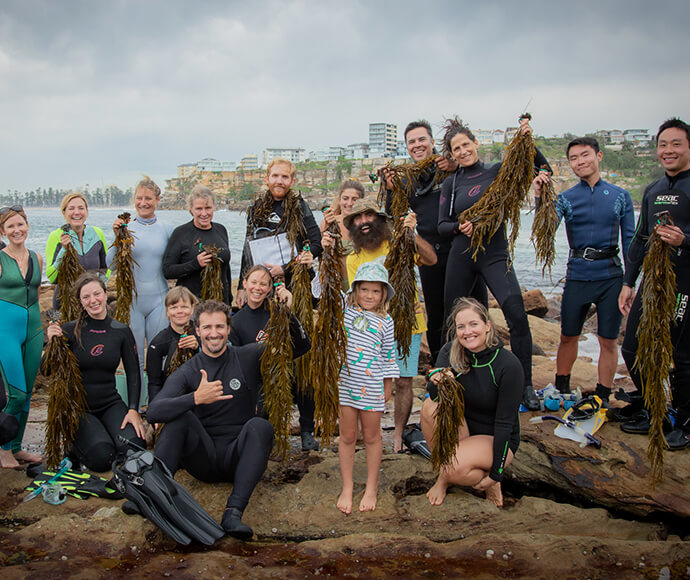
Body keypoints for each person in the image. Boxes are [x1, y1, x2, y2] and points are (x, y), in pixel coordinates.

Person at [147, 299, 311, 540]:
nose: (214, 334)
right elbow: (153, 412)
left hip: (239, 456)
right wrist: (195, 398)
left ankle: (233, 513)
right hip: (204, 457)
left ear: (229, 329)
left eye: (220, 327)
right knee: (178, 418)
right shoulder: (189, 371)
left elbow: (300, 346)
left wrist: (286, 310)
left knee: (261, 426)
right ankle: (152, 493)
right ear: (197, 330)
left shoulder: (248, 356)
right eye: (207, 328)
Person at [438, 117, 550, 410]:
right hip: (462, 255)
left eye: (466, 145)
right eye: (456, 149)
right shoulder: (451, 183)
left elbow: (541, 168)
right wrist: (457, 228)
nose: (463, 151)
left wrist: (528, 139)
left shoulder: (497, 172)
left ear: (476, 143)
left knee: (516, 316)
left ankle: (525, 386)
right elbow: (441, 225)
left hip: (494, 253)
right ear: (451, 154)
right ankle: (452, 380)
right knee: (453, 322)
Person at [533, 137, 634, 400]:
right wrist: (539, 198)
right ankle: (562, 389)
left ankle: (602, 396)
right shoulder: (566, 198)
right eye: (574, 158)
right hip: (578, 274)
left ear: (599, 156)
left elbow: (630, 242)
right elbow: (543, 233)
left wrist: (629, 283)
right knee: (568, 336)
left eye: (585, 155)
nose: (580, 162)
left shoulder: (620, 196)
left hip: (611, 275)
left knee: (608, 341)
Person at [333, 199, 437, 452]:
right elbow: (357, 297)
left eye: (368, 216)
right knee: (369, 379)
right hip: (370, 329)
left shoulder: (398, 243)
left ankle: (399, 434)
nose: (363, 222)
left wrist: (412, 234)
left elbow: (431, 259)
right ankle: (370, 431)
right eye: (357, 219)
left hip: (408, 324)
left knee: (402, 381)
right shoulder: (354, 257)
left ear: (379, 219)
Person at [384, 120, 485, 362]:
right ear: (406, 147)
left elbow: (475, 177)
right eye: (411, 142)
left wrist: (454, 166)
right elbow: (392, 216)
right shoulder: (407, 179)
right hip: (430, 255)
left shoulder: (450, 166)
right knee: (437, 314)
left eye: (421, 140)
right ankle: (442, 365)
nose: (417, 145)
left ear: (432, 142)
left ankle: (480, 361)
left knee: (475, 307)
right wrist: (389, 190)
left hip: (462, 248)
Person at [618, 118, 690, 450]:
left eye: (676, 143)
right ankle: (656, 410)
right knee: (632, 347)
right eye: (663, 144)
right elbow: (639, 240)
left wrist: (684, 239)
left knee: (681, 355)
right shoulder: (653, 190)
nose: (668, 150)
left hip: (685, 283)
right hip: (653, 281)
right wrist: (628, 282)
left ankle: (686, 422)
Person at [420, 297, 523, 507]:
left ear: (487, 325)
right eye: (461, 327)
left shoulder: (508, 365)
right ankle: (444, 478)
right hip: (463, 427)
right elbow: (434, 394)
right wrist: (437, 381)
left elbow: (505, 423)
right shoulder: (451, 351)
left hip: (495, 436)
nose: (467, 332)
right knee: (429, 408)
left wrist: (496, 475)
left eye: (474, 324)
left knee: (452, 467)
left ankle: (459, 477)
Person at [46, 272, 145, 471]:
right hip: (79, 408)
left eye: (97, 294)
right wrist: (52, 344)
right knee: (102, 459)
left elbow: (134, 372)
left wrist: (133, 410)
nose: (93, 300)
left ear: (106, 294)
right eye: (86, 297)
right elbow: (46, 370)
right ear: (80, 302)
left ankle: (101, 437)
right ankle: (75, 445)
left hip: (110, 403)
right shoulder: (69, 330)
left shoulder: (121, 331)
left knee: (135, 450)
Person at [229, 265, 318, 451]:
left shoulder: (276, 312)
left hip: (281, 375)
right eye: (253, 282)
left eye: (264, 284)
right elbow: (237, 360)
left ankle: (307, 432)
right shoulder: (236, 322)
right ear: (244, 283)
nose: (257, 288)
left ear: (270, 288)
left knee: (305, 381)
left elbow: (304, 345)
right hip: (256, 381)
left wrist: (288, 312)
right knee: (262, 421)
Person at [337, 262, 398, 514]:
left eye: (375, 291)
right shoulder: (345, 309)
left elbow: (388, 356)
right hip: (345, 383)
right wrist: (327, 249)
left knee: (372, 437)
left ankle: (371, 486)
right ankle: (347, 486)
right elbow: (320, 288)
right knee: (347, 436)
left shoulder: (386, 321)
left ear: (383, 293)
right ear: (355, 291)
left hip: (371, 385)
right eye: (364, 289)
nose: (369, 296)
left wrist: (388, 385)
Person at [107, 176, 173, 385]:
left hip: (159, 300)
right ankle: (135, 403)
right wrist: (118, 237)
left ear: (157, 200)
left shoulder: (166, 229)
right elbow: (111, 264)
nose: (143, 203)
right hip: (132, 302)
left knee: (158, 352)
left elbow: (177, 263)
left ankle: (157, 401)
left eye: (148, 198)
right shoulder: (126, 228)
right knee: (134, 356)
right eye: (139, 198)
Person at [238, 158, 322, 305]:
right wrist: (241, 286)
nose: (279, 181)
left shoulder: (300, 206)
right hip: (264, 283)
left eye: (285, 177)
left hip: (296, 280)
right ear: (267, 179)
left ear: (292, 181)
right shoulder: (256, 208)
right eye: (275, 176)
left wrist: (285, 268)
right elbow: (247, 252)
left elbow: (317, 243)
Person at [0, 206, 43, 468]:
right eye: (10, 227)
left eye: (20, 225)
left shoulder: (37, 258)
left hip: (34, 330)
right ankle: (3, 448)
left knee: (27, 394)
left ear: (27, 226)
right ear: (3, 232)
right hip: (6, 332)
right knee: (15, 394)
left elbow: (36, 296)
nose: (17, 231)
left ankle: (17, 447)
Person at [162, 185, 232, 304]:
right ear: (191, 209)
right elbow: (168, 271)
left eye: (208, 208)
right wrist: (195, 264)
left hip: (220, 302)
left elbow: (226, 268)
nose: (204, 213)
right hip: (192, 303)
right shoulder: (181, 233)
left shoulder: (221, 230)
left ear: (214, 207)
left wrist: (229, 298)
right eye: (199, 209)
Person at [45, 192, 108, 309]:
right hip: (65, 301)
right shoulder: (55, 236)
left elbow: (106, 267)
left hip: (93, 302)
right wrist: (64, 250)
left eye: (81, 208)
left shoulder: (97, 233)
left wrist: (101, 289)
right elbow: (51, 276)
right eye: (71, 208)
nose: (77, 212)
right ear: (64, 213)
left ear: (87, 212)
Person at [146, 286, 199, 405]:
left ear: (192, 309)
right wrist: (156, 410)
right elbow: (154, 383)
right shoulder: (158, 343)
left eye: (184, 307)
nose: (179, 311)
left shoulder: (202, 334)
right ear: (167, 311)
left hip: (199, 394)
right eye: (174, 307)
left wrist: (198, 348)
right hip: (171, 398)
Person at [319, 179, 365, 255]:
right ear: (339, 200)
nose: (349, 203)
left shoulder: (368, 225)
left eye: (355, 199)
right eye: (345, 198)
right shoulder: (329, 223)